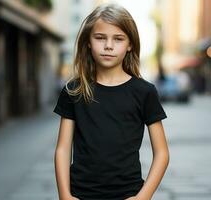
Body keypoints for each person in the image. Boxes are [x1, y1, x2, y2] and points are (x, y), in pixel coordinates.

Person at [53, 3, 169, 200]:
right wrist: (65, 195)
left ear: (130, 44)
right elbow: (63, 149)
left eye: (118, 39)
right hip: (81, 194)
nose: (108, 45)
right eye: (100, 38)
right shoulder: (74, 91)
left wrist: (143, 197)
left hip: (128, 194)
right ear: (88, 42)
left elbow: (162, 153)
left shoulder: (144, 92)